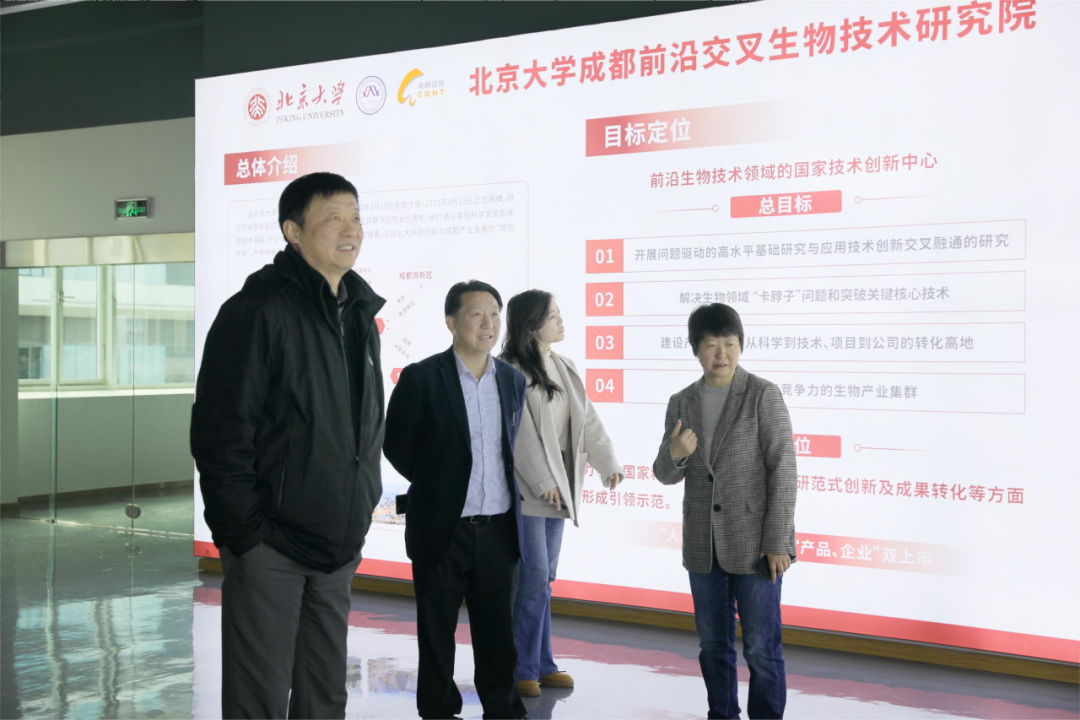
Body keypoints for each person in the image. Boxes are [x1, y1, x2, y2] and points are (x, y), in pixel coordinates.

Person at [190, 172, 386, 720]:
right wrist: (246, 536)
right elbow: (221, 432)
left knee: (326, 698)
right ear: (292, 232)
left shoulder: (357, 313)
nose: (350, 230)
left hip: (337, 546)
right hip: (270, 547)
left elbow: (362, 424)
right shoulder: (257, 310)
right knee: (260, 701)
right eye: (333, 217)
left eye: (356, 217)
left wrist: (360, 506)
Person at [383, 280, 529, 720]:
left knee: (498, 635)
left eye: (495, 314)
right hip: (441, 526)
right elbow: (396, 444)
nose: (489, 324)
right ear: (451, 322)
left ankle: (503, 709)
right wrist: (438, 484)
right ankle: (439, 710)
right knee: (436, 632)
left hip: (498, 529)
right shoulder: (422, 377)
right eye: (476, 314)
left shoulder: (512, 380)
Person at [652, 303, 797, 720]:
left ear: (741, 345)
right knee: (713, 644)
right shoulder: (681, 402)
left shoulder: (762, 394)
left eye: (730, 344)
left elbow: (784, 469)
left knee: (761, 648)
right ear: (695, 348)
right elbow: (664, 474)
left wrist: (778, 541)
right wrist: (675, 453)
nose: (722, 354)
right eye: (711, 345)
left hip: (756, 545)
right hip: (703, 545)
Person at [499, 290, 622, 698]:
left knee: (544, 578)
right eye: (553, 315)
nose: (561, 321)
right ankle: (522, 668)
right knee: (533, 578)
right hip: (529, 490)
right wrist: (542, 481)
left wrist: (608, 463)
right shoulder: (509, 369)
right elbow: (517, 434)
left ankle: (543, 664)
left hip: (560, 487)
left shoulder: (564, 365)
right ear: (532, 324)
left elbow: (587, 420)